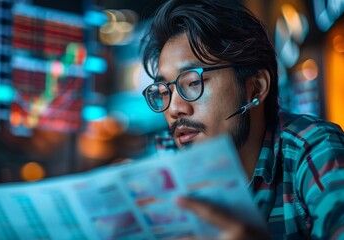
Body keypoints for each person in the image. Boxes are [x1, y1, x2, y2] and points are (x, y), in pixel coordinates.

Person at [141, 0, 344, 239]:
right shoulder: (167, 163)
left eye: (193, 83)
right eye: (165, 90)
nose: (174, 108)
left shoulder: (312, 149)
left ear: (256, 88)